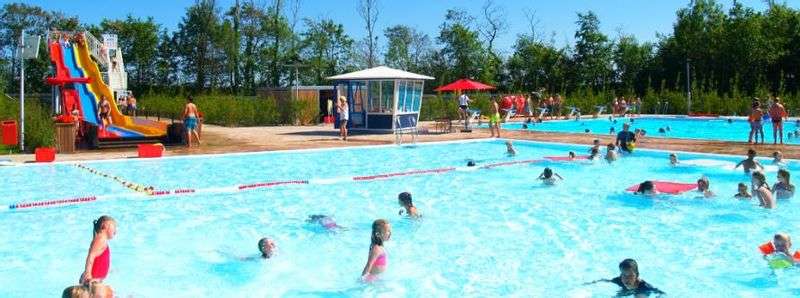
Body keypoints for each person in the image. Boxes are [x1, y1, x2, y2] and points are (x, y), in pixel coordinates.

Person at [585, 259, 665, 297]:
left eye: (630, 275)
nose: (626, 278)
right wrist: (593, 282)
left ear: (637, 275)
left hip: (640, 291)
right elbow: (606, 280)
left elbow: (661, 293)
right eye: (624, 275)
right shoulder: (620, 280)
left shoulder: (644, 286)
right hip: (626, 291)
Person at [80, 216, 116, 285]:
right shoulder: (100, 239)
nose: (115, 232)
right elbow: (91, 256)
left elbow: (99, 258)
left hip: (96, 279)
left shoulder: (102, 239)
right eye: (114, 228)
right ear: (104, 226)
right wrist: (88, 274)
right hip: (92, 280)